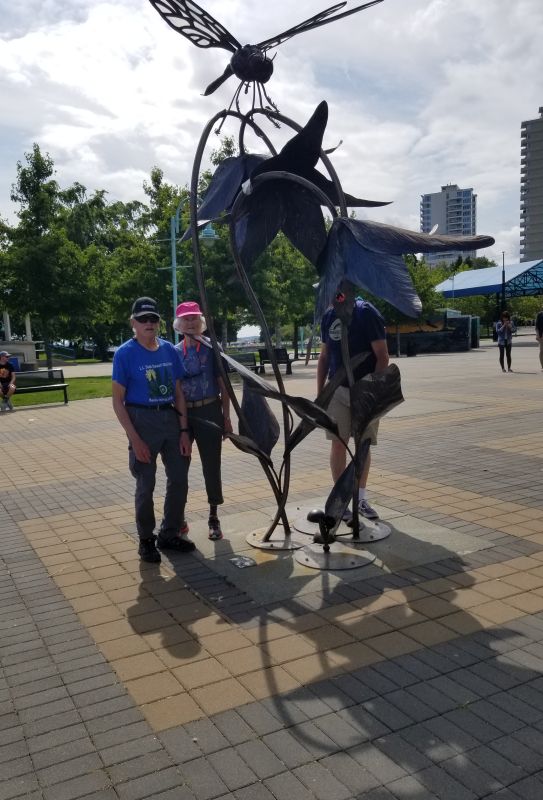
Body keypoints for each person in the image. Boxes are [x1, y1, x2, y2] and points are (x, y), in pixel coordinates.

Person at [112, 297, 193, 563]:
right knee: (146, 484)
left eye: (153, 319)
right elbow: (117, 401)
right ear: (133, 323)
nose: (149, 323)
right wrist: (135, 439)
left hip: (170, 419)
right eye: (143, 319)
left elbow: (179, 392)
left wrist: (183, 431)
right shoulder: (125, 353)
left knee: (179, 479)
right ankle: (146, 539)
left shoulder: (169, 350)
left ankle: (169, 533)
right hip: (141, 420)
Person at [317, 294, 389, 521]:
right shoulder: (329, 316)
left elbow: (382, 356)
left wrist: (373, 392)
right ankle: (341, 500)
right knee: (339, 444)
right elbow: (324, 356)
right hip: (337, 390)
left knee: (363, 446)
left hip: (365, 390)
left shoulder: (365, 312)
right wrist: (321, 392)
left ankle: (360, 498)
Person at [174, 301, 233, 540]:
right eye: (186, 319)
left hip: (210, 410)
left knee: (212, 466)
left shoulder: (213, 348)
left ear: (201, 322)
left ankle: (213, 516)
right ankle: (179, 518)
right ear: (178, 324)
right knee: (179, 468)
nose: (190, 323)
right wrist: (182, 427)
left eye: (194, 318)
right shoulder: (174, 352)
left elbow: (224, 386)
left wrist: (227, 418)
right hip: (183, 415)